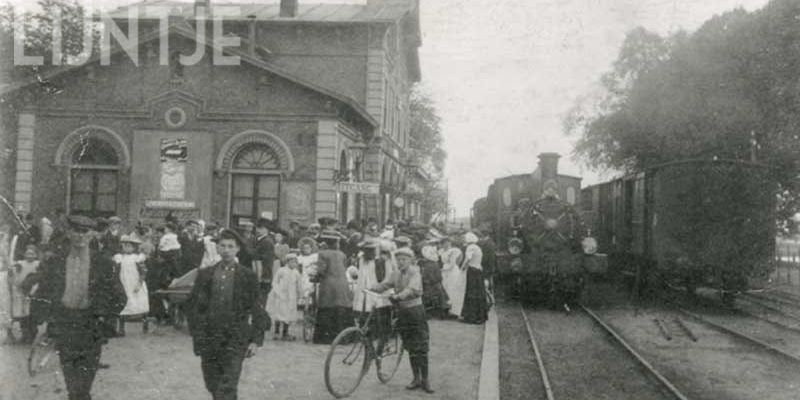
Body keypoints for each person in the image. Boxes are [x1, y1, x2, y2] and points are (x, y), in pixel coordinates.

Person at [31, 215, 126, 400]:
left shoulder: (104, 263)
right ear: (68, 232)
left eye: (85, 232)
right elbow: (43, 293)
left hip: (90, 326)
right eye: (76, 231)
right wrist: (42, 320)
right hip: (64, 324)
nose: (80, 236)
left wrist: (103, 316)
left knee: (83, 385)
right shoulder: (56, 261)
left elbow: (120, 297)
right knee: (71, 382)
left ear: (92, 234)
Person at [188, 229, 266, 400]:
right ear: (216, 248)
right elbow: (193, 307)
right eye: (222, 246)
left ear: (238, 249)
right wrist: (197, 334)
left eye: (231, 246)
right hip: (210, 337)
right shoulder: (205, 274)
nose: (226, 250)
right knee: (212, 383)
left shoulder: (247, 276)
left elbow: (257, 309)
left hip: (235, 337)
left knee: (228, 384)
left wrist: (255, 340)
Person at [369, 247, 434, 394]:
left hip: (416, 312)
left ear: (410, 261)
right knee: (410, 346)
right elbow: (385, 285)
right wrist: (372, 288)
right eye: (398, 259)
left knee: (421, 346)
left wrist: (399, 296)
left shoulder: (415, 272)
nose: (401, 262)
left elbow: (411, 289)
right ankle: (415, 378)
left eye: (404, 259)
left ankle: (425, 380)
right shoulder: (396, 273)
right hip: (403, 313)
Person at [349, 239, 393, 348]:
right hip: (364, 289)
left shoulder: (380, 261)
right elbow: (361, 275)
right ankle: (365, 333)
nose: (368, 253)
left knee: (378, 310)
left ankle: (380, 336)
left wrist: (376, 287)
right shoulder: (362, 259)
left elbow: (381, 278)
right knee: (364, 309)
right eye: (366, 251)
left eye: (371, 251)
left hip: (378, 289)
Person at [312, 230, 353, 344]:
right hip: (343, 284)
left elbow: (321, 271)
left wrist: (315, 277)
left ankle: (326, 338)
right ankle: (344, 337)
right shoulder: (342, 254)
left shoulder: (322, 254)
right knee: (342, 307)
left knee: (327, 308)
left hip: (329, 285)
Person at [113, 234, 149, 336]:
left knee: (139, 303)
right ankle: (121, 329)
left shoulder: (137, 258)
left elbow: (143, 272)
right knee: (124, 304)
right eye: (124, 246)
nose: (126, 248)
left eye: (129, 246)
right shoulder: (120, 258)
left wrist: (139, 283)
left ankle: (144, 322)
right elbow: (117, 271)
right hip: (124, 283)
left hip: (135, 283)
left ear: (134, 247)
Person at [265, 253, 303, 341]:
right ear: (287, 262)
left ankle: (285, 333)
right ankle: (277, 332)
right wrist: (277, 292)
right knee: (279, 313)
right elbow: (275, 282)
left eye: (295, 262)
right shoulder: (281, 271)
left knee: (289, 314)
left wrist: (300, 295)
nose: (293, 264)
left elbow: (299, 285)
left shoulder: (296, 273)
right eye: (292, 262)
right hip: (281, 295)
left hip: (291, 296)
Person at [9, 245, 41, 343]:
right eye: (27, 253)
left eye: (32, 254)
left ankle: (33, 334)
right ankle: (25, 334)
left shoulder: (38, 264)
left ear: (36, 255)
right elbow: (13, 274)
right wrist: (13, 270)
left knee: (32, 314)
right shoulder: (20, 263)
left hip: (33, 292)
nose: (29, 256)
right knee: (23, 315)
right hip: (21, 292)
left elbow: (40, 277)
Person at [461, 232, 488, 324]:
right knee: (479, 293)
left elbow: (468, 258)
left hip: (472, 271)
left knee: (471, 293)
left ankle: (471, 317)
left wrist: (463, 267)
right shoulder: (477, 247)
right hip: (478, 271)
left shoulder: (470, 247)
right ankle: (480, 316)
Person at [419, 244, 448, 319]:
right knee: (441, 292)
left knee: (427, 294)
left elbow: (426, 276)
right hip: (434, 284)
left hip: (429, 285)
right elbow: (438, 277)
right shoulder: (435, 264)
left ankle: (427, 311)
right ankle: (443, 309)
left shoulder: (427, 265)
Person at [439, 237, 465, 318]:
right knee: (445, 289)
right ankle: (446, 309)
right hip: (444, 271)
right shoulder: (441, 251)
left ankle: (454, 311)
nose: (446, 244)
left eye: (447, 242)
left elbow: (454, 262)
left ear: (450, 243)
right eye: (444, 243)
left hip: (452, 271)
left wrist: (446, 268)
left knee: (453, 289)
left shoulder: (454, 250)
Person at [253, 218, 276, 304]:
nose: (258, 230)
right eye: (257, 228)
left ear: (267, 229)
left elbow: (268, 261)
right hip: (257, 272)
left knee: (261, 299)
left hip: (262, 275)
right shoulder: (258, 240)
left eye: (261, 228)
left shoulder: (267, 242)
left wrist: (265, 277)